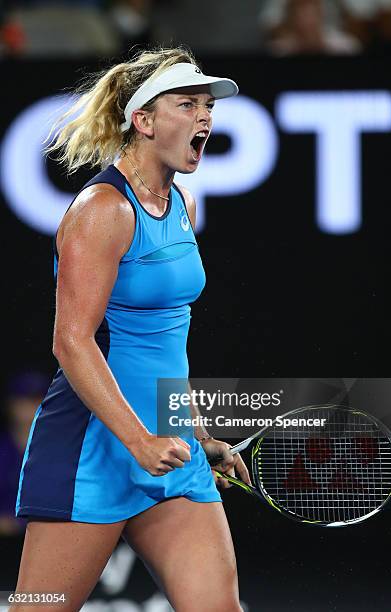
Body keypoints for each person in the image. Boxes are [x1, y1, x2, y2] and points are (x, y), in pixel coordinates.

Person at [11, 47, 249, 612]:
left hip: (170, 450)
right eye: (187, 104)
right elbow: (71, 341)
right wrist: (138, 440)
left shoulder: (182, 203)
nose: (205, 117)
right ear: (142, 121)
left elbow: (167, 346)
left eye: (207, 105)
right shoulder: (102, 209)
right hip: (96, 449)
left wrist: (197, 434)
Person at [0, 371, 50, 535]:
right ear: (11, 404)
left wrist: (18, 524)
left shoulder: (60, 452)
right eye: (23, 400)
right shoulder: (4, 448)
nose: (28, 408)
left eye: (36, 400)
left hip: (45, 537)